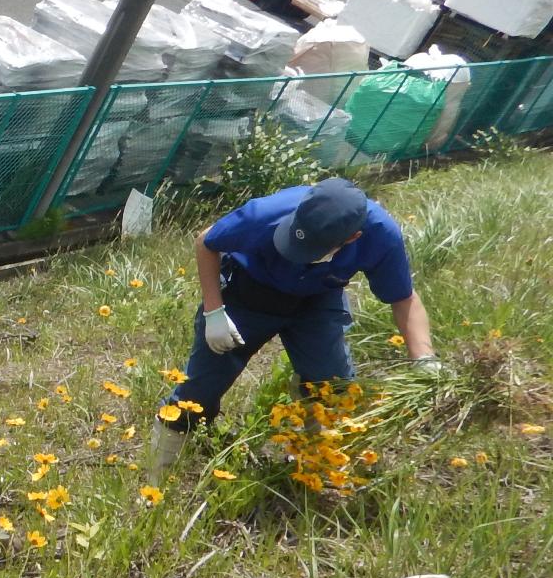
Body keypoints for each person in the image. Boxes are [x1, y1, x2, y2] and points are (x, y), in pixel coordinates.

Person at [147, 177, 439, 481]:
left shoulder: (381, 235)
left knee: (333, 388)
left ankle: (319, 467)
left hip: (317, 299)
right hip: (248, 292)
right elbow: (206, 241)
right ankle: (158, 484)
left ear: (352, 238)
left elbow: (403, 297)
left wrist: (424, 358)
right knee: (198, 391)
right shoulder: (266, 213)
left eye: (309, 248)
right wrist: (214, 310)